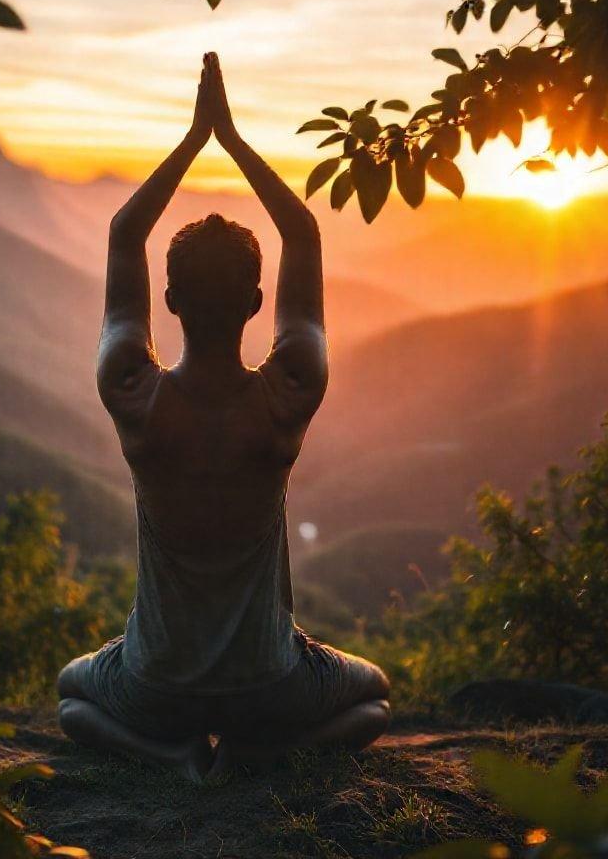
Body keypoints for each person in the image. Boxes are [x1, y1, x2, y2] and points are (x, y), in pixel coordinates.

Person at [57, 53, 390, 782]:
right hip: (267, 686)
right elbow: (303, 235)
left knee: (71, 698)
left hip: (156, 685)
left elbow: (122, 236)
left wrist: (192, 138)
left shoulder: (133, 392)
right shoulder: (288, 392)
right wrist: (232, 140)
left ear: (169, 302)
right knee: (374, 702)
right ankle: (258, 755)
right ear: (253, 304)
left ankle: (167, 757)